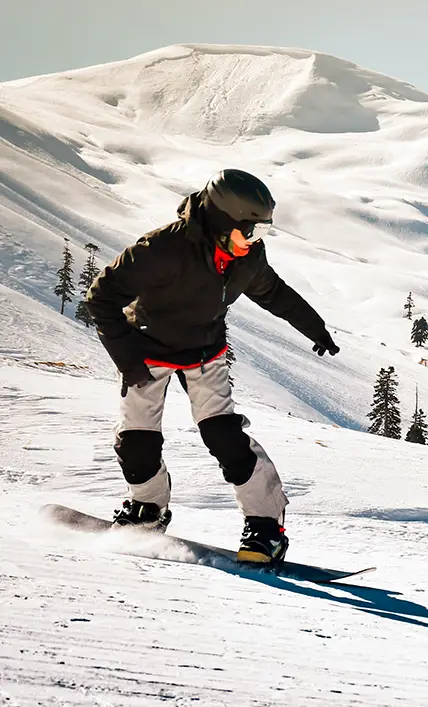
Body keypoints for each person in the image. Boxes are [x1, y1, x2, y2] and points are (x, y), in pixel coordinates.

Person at [86, 169, 338, 564]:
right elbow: (101, 297)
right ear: (223, 222)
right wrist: (128, 359)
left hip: (204, 352)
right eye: (250, 231)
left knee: (223, 436)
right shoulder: (161, 249)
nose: (255, 241)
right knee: (136, 442)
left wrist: (315, 328)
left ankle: (266, 525)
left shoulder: (246, 256)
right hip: (147, 351)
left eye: (262, 234)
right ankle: (148, 508)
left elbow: (272, 292)